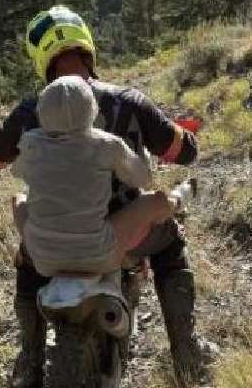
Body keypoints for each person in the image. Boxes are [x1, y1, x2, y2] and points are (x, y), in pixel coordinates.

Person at [0, 5, 205, 388]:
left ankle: (30, 359)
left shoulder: (30, 113)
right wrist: (183, 135)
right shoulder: (129, 102)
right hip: (122, 236)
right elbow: (184, 152)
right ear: (87, 48)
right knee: (169, 245)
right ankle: (186, 354)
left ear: (43, 61)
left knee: (27, 259)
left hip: (54, 238)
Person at [10, 75, 192, 277]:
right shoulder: (105, 144)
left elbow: (16, 171)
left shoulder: (30, 142)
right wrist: (144, 156)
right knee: (154, 200)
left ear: (42, 110)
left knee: (18, 199)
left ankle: (25, 256)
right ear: (91, 109)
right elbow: (142, 179)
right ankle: (180, 198)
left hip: (42, 258)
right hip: (97, 254)